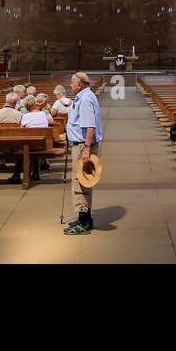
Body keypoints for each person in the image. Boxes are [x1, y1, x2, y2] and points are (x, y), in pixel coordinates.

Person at [64, 71, 103, 235]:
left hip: (82, 146)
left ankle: (84, 222)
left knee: (80, 181)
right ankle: (84, 217)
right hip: (80, 145)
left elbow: (89, 126)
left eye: (72, 83)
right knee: (83, 180)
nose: (71, 86)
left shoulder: (86, 99)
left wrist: (86, 149)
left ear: (80, 84)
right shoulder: (83, 96)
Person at [8, 96, 51, 184]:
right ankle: (36, 173)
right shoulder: (43, 114)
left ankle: (16, 174)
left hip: (29, 145)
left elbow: (21, 130)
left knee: (24, 147)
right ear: (35, 105)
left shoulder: (25, 116)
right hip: (42, 144)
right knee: (32, 145)